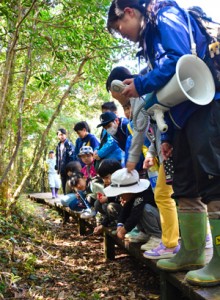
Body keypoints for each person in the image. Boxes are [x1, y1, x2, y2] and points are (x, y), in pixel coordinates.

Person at [107, 0, 220, 286]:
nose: (124, 35)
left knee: (213, 179)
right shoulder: (149, 40)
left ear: (129, 12)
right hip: (179, 119)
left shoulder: (167, 16)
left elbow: (178, 59)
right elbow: (166, 94)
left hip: (205, 106)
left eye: (121, 28)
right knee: (182, 185)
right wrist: (167, 136)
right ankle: (192, 252)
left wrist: (140, 84)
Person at [106, 65, 180, 257]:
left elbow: (142, 133)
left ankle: (171, 243)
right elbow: (153, 132)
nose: (123, 107)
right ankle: (184, 240)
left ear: (120, 85)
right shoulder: (141, 98)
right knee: (174, 194)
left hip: (171, 151)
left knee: (170, 195)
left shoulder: (141, 98)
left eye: (119, 99)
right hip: (164, 150)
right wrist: (151, 153)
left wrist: (135, 160)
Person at [103, 168, 161, 243]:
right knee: (135, 208)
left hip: (160, 221)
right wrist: (120, 224)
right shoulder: (133, 196)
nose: (120, 196)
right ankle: (145, 233)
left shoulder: (145, 193)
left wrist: (124, 230)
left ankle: (157, 237)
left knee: (144, 209)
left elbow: (135, 215)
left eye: (121, 193)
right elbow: (126, 210)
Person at [93, 159, 122, 235]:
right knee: (98, 203)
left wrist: (108, 198)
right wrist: (103, 224)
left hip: (125, 212)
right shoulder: (109, 184)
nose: (105, 181)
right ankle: (111, 222)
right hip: (116, 209)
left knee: (110, 206)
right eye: (103, 178)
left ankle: (120, 224)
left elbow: (119, 200)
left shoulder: (123, 183)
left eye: (106, 177)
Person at [93, 102, 123, 170]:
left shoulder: (118, 125)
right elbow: (103, 143)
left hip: (116, 159)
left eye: (106, 112)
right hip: (108, 160)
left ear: (115, 112)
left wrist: (100, 153)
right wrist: (96, 150)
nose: (104, 115)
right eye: (103, 113)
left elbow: (112, 142)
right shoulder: (105, 128)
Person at [55, 128, 75, 195]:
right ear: (58, 136)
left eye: (63, 134)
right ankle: (65, 198)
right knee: (63, 184)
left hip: (68, 169)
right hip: (62, 169)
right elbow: (58, 157)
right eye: (60, 135)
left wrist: (71, 169)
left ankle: (70, 200)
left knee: (70, 185)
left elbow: (72, 157)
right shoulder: (58, 146)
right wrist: (57, 167)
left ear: (65, 135)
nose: (61, 136)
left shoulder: (69, 144)